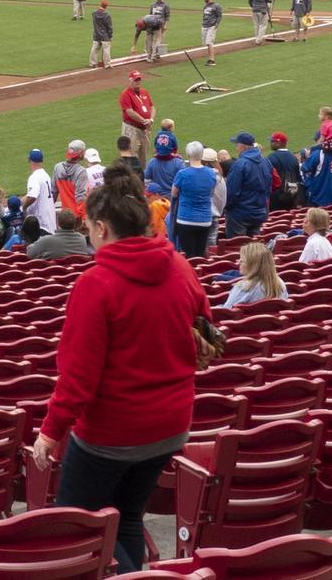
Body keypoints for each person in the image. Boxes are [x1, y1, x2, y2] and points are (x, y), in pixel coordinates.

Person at [32, 171, 210, 575]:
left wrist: (49, 432)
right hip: (171, 422)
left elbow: (78, 378)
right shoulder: (180, 266)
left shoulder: (97, 283)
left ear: (102, 228)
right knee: (127, 516)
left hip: (113, 432)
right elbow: (205, 329)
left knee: (77, 524)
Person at [169, 142, 219, 258]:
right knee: (200, 254)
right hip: (204, 219)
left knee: (189, 255)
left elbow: (174, 193)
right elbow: (211, 192)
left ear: (188, 155)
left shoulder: (183, 174)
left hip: (186, 219)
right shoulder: (211, 173)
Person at [221, 241, 288, 307]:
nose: (238, 263)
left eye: (242, 261)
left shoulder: (243, 287)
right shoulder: (280, 284)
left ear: (253, 265)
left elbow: (227, 312)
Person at [21, 150, 58, 242]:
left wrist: (24, 207)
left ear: (29, 160)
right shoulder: (45, 175)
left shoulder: (34, 177)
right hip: (49, 221)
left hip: (41, 224)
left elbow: (33, 196)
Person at [29, 209, 95, 259]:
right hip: (75, 275)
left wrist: (30, 245)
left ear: (58, 223)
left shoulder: (47, 240)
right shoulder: (81, 239)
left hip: (54, 276)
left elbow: (30, 254)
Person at [119, 72, 153, 162]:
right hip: (132, 128)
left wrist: (151, 119)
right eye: (135, 80)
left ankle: (142, 175)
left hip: (145, 129)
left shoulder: (144, 92)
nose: (137, 82)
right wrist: (144, 121)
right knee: (131, 155)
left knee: (144, 156)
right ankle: (131, 175)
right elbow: (129, 112)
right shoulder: (125, 94)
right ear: (130, 81)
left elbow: (152, 107)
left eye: (139, 80)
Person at [198, 0, 224, 66]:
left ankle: (212, 60)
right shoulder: (205, 6)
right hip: (204, 26)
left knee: (209, 42)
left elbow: (219, 16)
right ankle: (210, 58)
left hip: (211, 26)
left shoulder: (216, 6)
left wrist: (216, 25)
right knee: (206, 43)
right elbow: (204, 15)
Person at [91, 0, 114, 68]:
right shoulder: (107, 15)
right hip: (105, 36)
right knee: (106, 50)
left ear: (100, 4)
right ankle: (107, 64)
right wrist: (110, 36)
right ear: (106, 6)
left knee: (94, 49)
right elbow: (109, 27)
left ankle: (93, 63)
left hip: (96, 34)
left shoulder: (94, 13)